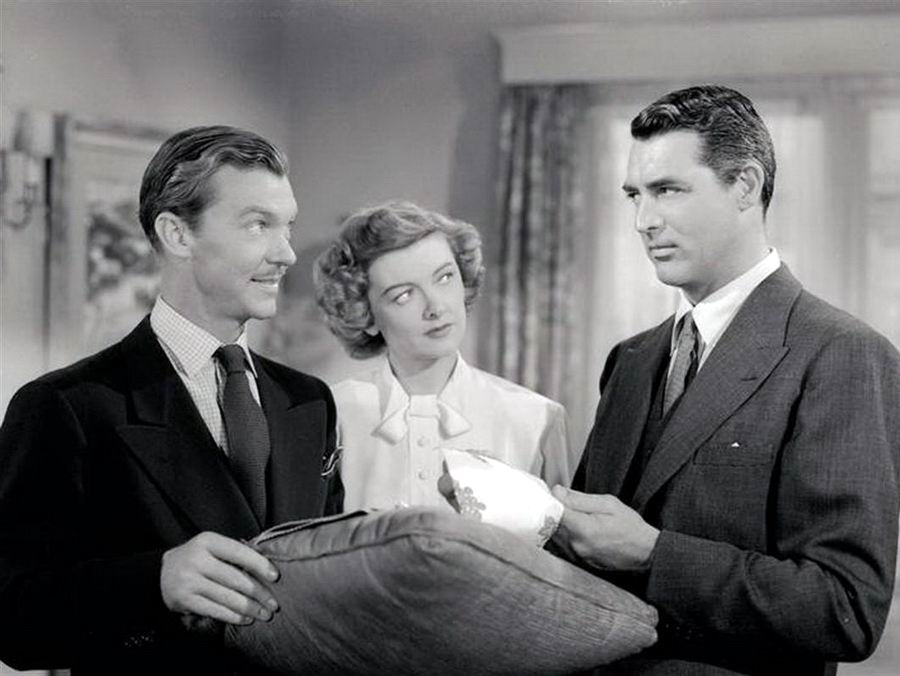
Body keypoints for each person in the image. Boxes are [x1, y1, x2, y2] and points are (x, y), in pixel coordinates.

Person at [551, 85, 900, 674]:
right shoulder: (630, 359)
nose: (643, 221)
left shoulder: (843, 354)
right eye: (635, 195)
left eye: (668, 190)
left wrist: (654, 554)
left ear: (745, 185)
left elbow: (845, 609)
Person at [0, 126, 343, 674]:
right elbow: (14, 621)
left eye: (288, 226)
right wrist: (153, 582)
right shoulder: (67, 407)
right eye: (258, 224)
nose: (285, 254)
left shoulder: (310, 403)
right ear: (177, 234)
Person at [314, 201, 574, 512]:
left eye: (445, 277)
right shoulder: (333, 416)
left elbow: (565, 540)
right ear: (366, 315)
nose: (435, 307)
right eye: (404, 295)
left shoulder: (537, 420)